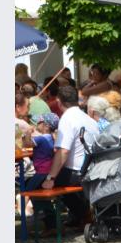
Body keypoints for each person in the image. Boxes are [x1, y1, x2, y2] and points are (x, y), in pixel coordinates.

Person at [41, 86, 99, 228]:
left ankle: (53, 224)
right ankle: (81, 215)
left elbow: (63, 152)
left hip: (77, 172)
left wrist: (50, 178)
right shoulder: (88, 118)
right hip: (93, 168)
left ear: (59, 102)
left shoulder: (67, 119)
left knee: (37, 182)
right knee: (58, 179)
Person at [21, 113, 60, 235]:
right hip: (47, 172)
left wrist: (28, 132)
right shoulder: (52, 138)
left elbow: (26, 144)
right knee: (38, 196)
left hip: (41, 172)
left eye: (39, 122)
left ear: (46, 126)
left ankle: (22, 217)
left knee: (26, 192)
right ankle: (52, 224)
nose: (37, 124)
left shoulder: (42, 139)